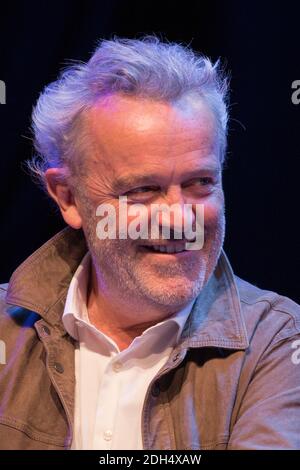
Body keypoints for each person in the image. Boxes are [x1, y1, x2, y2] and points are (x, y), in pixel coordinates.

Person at [0, 36, 299, 450]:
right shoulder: (6, 333)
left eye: (199, 183)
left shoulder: (281, 344)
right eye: (142, 189)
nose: (179, 217)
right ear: (68, 197)